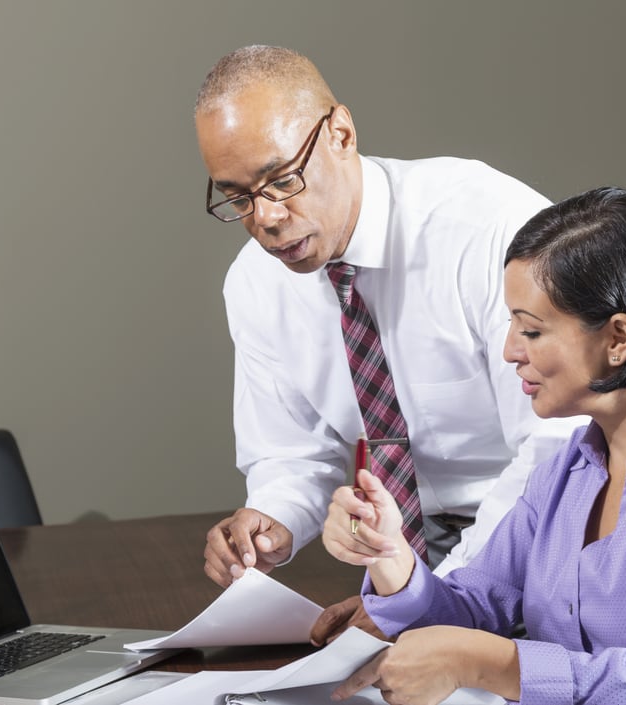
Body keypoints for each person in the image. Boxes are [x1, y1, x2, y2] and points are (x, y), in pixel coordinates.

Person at [321, 186, 626, 704]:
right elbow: (472, 610)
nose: (510, 350)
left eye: (531, 330)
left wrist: (485, 662)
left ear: (618, 339)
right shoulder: (566, 470)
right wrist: (390, 555)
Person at [194, 44, 585, 609]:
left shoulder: (486, 228)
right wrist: (272, 517)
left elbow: (560, 446)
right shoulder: (257, 283)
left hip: (546, 532)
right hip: (403, 546)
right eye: (238, 198)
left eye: (281, 180)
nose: (267, 220)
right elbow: (291, 454)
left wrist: (431, 598)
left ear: (342, 134)